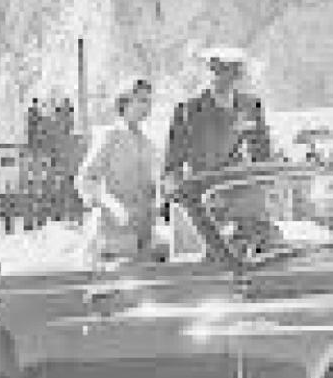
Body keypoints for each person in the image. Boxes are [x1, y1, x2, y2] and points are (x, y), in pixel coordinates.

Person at [78, 80, 158, 267]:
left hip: (142, 236)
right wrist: (112, 205)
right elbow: (85, 180)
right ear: (124, 102)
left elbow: (151, 187)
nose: (146, 107)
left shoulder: (149, 144)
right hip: (110, 236)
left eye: (148, 101)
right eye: (140, 100)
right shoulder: (110, 136)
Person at [164, 46, 271, 180]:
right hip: (201, 189)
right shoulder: (187, 110)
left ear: (237, 74)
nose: (218, 76)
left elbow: (262, 155)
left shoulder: (251, 107)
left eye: (226, 69)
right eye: (214, 68)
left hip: (239, 187)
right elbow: (173, 162)